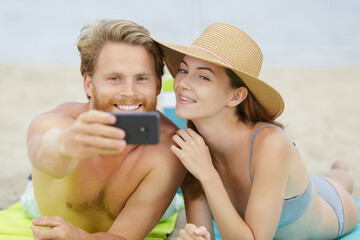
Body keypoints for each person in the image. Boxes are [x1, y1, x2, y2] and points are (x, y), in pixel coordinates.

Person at [152, 23, 359, 239]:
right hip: (281, 183)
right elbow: (203, 232)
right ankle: (337, 171)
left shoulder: (271, 144)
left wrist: (208, 173)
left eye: (203, 76)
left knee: (339, 181)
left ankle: (341, 172)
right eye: (184, 70)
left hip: (332, 207)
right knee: (320, 178)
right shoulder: (192, 148)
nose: (183, 82)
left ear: (236, 96)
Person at [24, 19, 186, 240]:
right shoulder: (56, 123)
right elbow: (44, 152)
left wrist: (77, 237)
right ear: (89, 84)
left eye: (141, 78)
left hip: (148, 199)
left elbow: (124, 236)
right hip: (46, 198)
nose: (129, 92)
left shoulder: (168, 149)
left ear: (158, 85)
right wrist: (66, 145)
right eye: (115, 78)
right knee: (30, 196)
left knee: (172, 206)